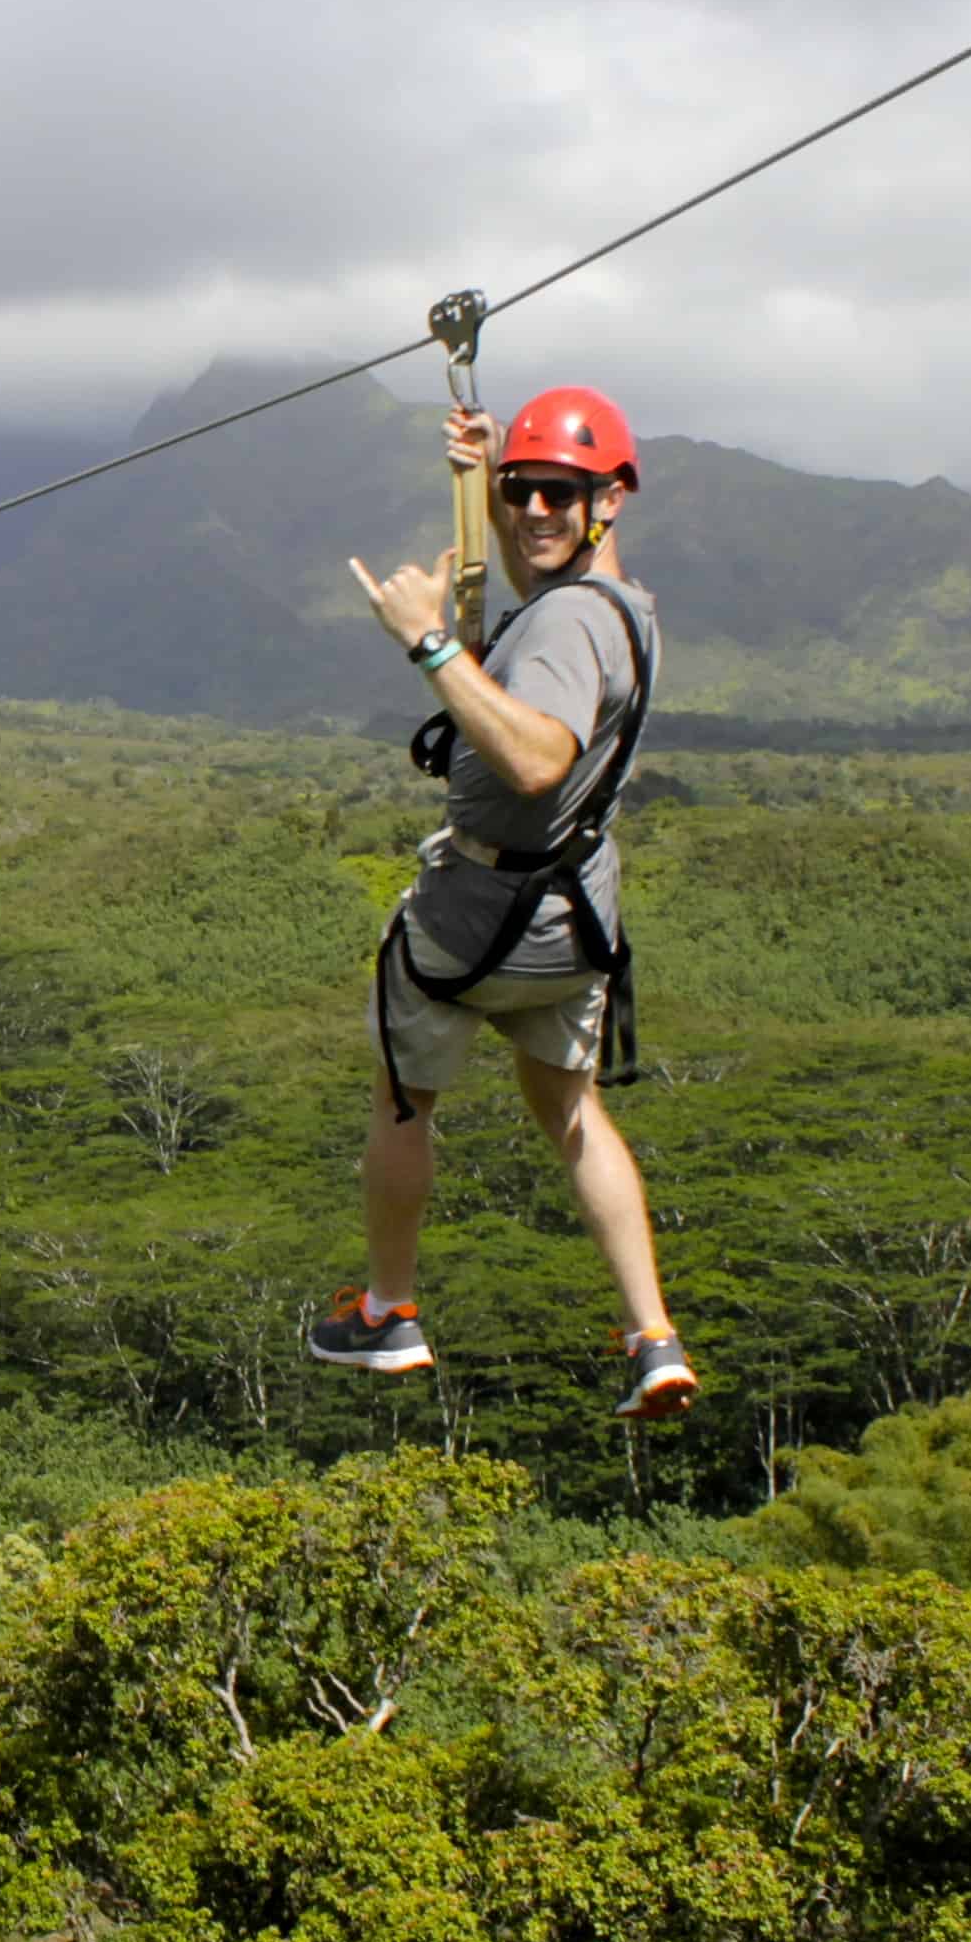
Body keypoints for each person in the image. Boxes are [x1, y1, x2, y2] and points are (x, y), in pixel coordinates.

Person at [308, 386, 694, 1420]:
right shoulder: (625, 607)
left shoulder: (569, 623)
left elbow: (534, 757)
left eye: (556, 495)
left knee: (404, 1095)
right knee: (570, 1111)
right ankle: (651, 1333)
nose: (533, 514)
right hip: (575, 922)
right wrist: (476, 480)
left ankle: (390, 1308)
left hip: (480, 914)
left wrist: (427, 643)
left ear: (608, 499)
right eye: (524, 493)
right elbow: (530, 577)